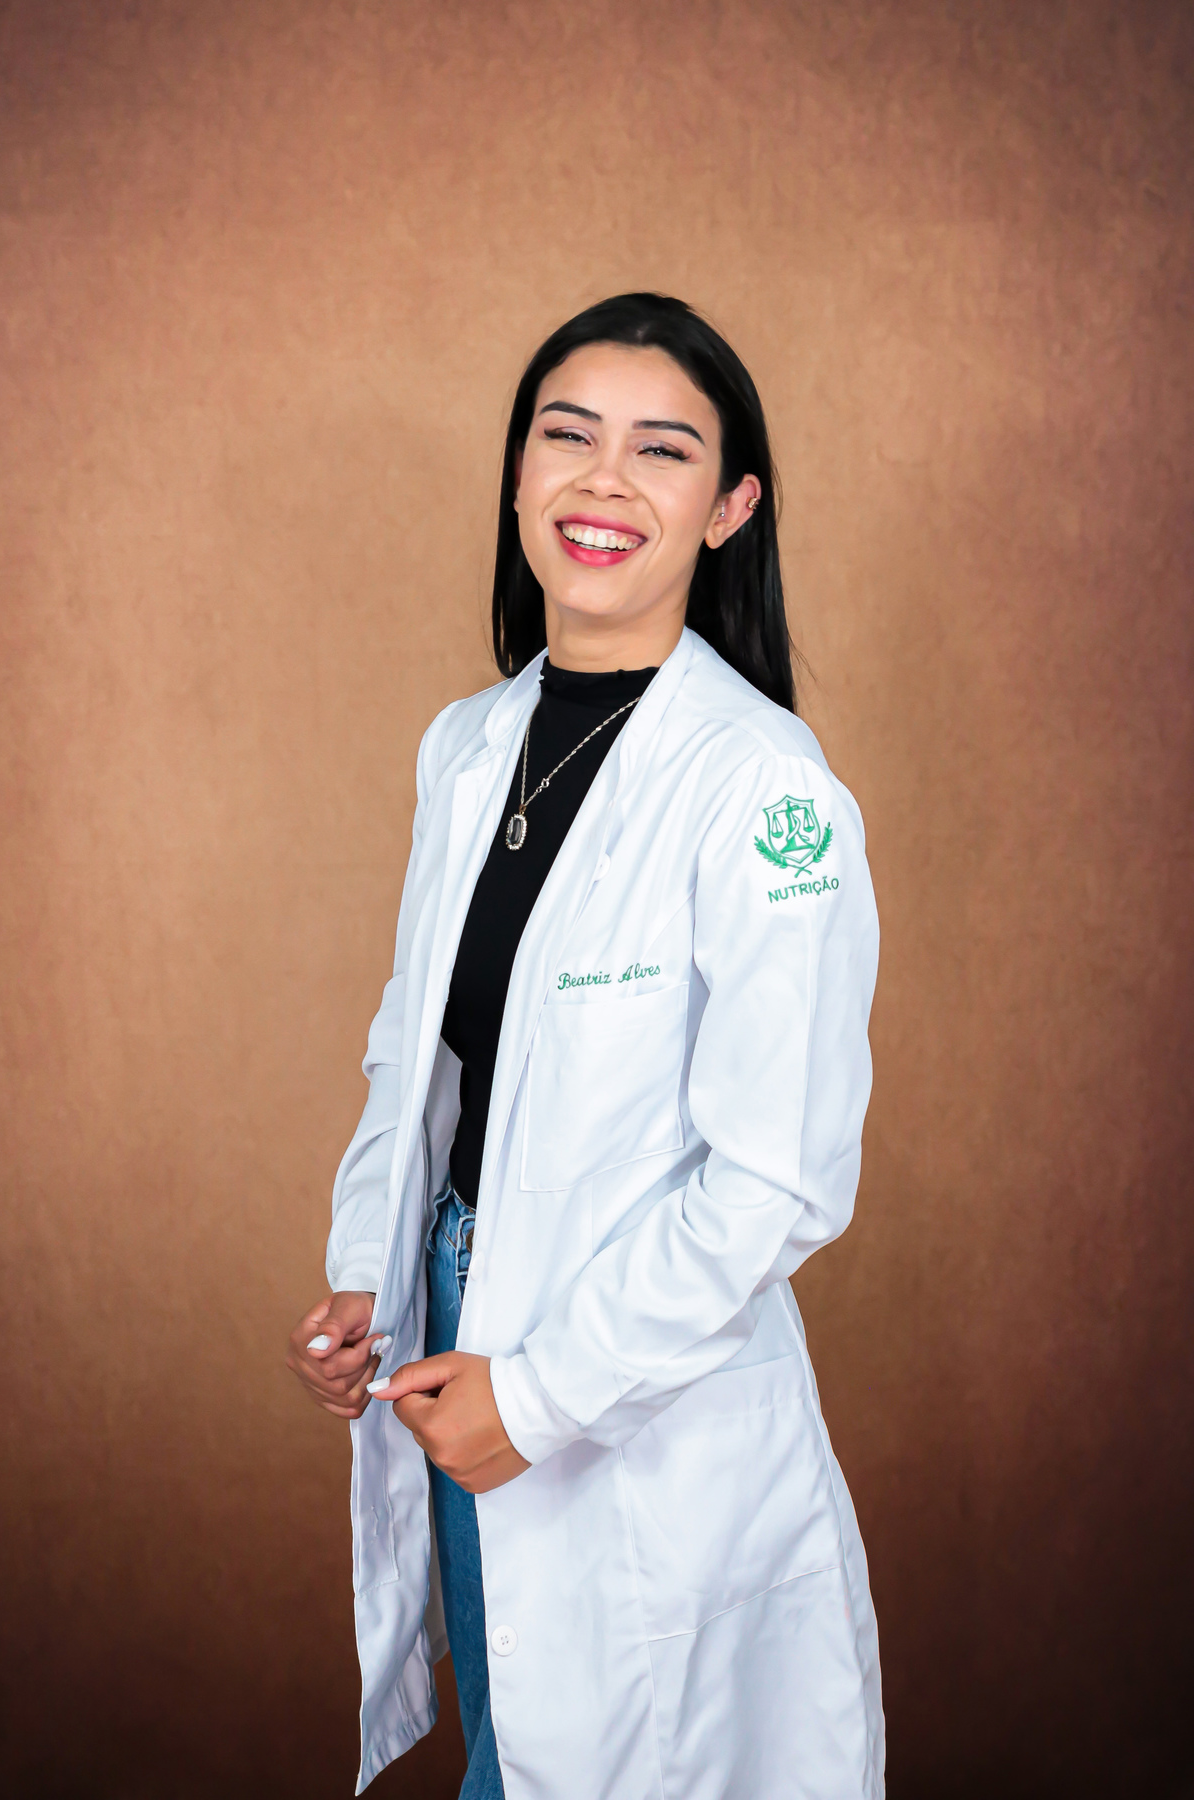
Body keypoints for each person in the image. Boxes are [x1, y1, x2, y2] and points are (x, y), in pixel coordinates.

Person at [286, 292, 883, 1800]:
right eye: (569, 436)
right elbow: (416, 1048)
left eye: (662, 451)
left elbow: (776, 1183)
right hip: (451, 1304)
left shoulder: (764, 790)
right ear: (518, 475)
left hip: (633, 1367)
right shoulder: (466, 747)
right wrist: (371, 1269)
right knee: (510, 1729)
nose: (604, 481)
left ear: (730, 509)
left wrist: (541, 1396)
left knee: (619, 1747)